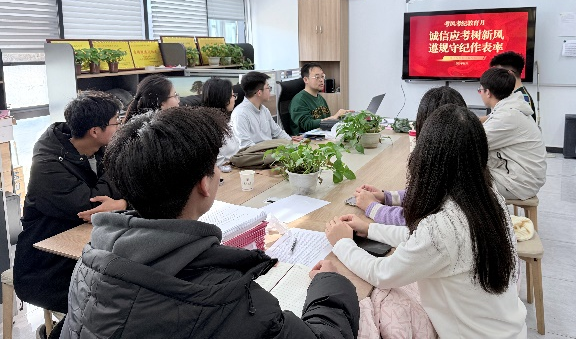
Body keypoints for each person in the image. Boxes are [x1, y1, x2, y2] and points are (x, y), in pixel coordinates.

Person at [61, 107, 360, 339]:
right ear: (203, 185)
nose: (218, 172)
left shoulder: (91, 258)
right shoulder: (220, 296)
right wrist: (330, 283)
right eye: (215, 164)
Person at [325, 105, 527, 339]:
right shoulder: (488, 197)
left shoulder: (442, 227)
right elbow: (421, 238)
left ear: (426, 157)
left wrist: (342, 243)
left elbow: (383, 273)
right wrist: (370, 228)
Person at [14, 91, 126, 316]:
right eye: (116, 122)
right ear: (95, 131)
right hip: (47, 265)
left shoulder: (101, 147)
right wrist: (118, 165)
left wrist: (121, 203)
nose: (120, 127)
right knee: (117, 301)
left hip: (87, 248)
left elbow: (135, 186)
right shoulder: (47, 164)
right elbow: (89, 205)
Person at [354, 86, 467, 226]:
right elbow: (423, 197)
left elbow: (414, 220)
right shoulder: (462, 157)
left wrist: (372, 207)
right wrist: (387, 197)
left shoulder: (438, 164)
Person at [478, 67, 547, 199]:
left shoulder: (506, 116)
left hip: (518, 183)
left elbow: (473, 143)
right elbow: (488, 122)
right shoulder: (511, 106)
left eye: (480, 90)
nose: (480, 93)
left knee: (459, 178)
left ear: (488, 92)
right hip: (522, 175)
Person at [231, 71, 301, 148]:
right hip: (256, 153)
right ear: (259, 93)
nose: (270, 90)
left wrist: (292, 144)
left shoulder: (264, 109)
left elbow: (278, 132)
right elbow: (246, 145)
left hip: (270, 151)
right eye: (268, 88)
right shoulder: (240, 115)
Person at [289, 62, 351, 135]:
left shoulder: (321, 99)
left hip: (323, 135)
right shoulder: (299, 101)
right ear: (306, 80)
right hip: (306, 139)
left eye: (322, 76)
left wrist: (340, 117)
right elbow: (307, 125)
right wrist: (334, 118)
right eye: (317, 77)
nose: (321, 80)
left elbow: (327, 121)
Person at [202, 77, 240, 168]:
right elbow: (218, 163)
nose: (234, 99)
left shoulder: (225, 121)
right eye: (232, 96)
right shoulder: (209, 129)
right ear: (224, 99)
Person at [490, 51, 536, 122]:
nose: (495, 77)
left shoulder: (523, 99)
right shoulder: (510, 94)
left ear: (510, 74)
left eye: (498, 73)